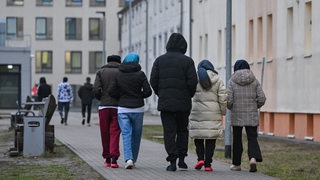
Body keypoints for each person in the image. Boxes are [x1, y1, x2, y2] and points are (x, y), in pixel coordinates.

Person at [150, 33, 198, 171]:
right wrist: (188, 95)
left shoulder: (159, 61)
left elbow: (153, 80)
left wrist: (162, 94)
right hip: (183, 103)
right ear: (184, 45)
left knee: (169, 132)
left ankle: (172, 161)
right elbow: (192, 82)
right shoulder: (188, 61)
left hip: (166, 104)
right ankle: (182, 159)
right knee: (183, 130)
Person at [109, 52, 152, 169]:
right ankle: (133, 159)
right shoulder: (141, 74)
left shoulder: (119, 74)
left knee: (126, 135)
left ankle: (128, 159)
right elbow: (148, 92)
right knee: (136, 136)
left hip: (123, 108)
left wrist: (121, 97)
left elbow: (111, 91)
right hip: (138, 108)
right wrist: (139, 95)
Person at [226, 59, 266, 172]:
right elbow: (262, 98)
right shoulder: (254, 81)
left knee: (237, 139)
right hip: (251, 114)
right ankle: (252, 158)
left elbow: (228, 100)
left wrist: (231, 107)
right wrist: (255, 106)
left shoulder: (232, 81)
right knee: (252, 138)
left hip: (237, 115)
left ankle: (236, 164)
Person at [189, 60, 227, 172]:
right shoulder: (218, 79)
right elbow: (223, 98)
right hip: (213, 113)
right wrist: (223, 111)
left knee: (198, 136)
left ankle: (200, 159)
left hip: (197, 112)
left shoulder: (195, 79)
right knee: (211, 139)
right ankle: (208, 164)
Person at [93, 55, 122, 168]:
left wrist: (101, 97)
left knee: (104, 132)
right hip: (117, 106)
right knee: (115, 132)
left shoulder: (101, 72)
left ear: (108, 61)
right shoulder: (121, 71)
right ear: (119, 62)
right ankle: (114, 159)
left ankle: (107, 158)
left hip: (104, 106)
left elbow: (96, 89)